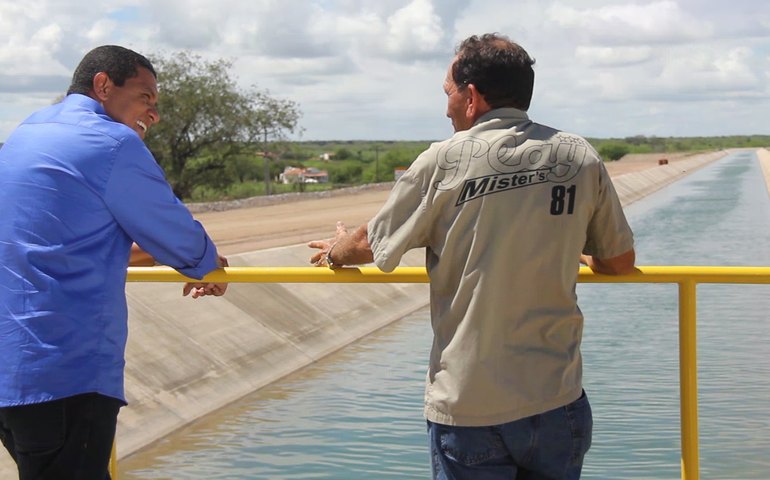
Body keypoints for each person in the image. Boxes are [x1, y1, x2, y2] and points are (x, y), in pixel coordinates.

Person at [309, 33, 636, 479]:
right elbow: (619, 261)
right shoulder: (579, 155)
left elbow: (370, 243)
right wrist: (577, 255)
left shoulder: (442, 160)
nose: (445, 107)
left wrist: (334, 251)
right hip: (557, 401)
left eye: (448, 93)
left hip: (469, 409)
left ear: (472, 96)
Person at [0, 45, 228, 480]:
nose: (153, 114)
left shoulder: (26, 132)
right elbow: (179, 236)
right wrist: (209, 266)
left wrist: (186, 257)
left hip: (11, 373)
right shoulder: (110, 142)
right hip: (64, 374)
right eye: (145, 97)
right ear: (103, 85)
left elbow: (65, 243)